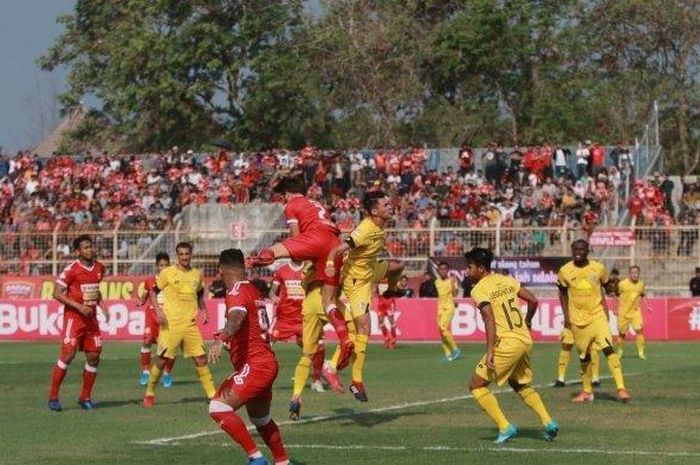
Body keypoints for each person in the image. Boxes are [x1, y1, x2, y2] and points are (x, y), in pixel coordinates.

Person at [247, 176, 354, 370]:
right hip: (335, 245)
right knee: (328, 301)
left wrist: (277, 253)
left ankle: (251, 262)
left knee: (272, 251)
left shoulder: (291, 204)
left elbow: (297, 238)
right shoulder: (315, 203)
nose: (282, 200)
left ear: (287, 192)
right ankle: (345, 339)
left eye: (281, 196)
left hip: (315, 239)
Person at [465, 248, 558, 444]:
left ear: (481, 269)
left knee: (476, 386)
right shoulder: (506, 280)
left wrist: (490, 350)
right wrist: (528, 322)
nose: (467, 271)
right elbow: (533, 300)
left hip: (506, 343)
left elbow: (489, 318)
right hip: (524, 340)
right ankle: (548, 422)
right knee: (519, 383)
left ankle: (505, 426)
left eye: (470, 266)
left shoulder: (479, 289)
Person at [207, 249, 290, 465]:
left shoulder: (235, 290)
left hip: (256, 364)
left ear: (221, 270)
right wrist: (231, 341)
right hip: (265, 362)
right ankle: (282, 461)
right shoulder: (253, 290)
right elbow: (248, 325)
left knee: (218, 408)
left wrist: (222, 338)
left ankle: (256, 458)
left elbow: (236, 317)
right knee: (260, 419)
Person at [324, 191, 404, 402]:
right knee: (364, 329)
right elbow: (339, 249)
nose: (390, 206)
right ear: (375, 211)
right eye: (386, 204)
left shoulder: (379, 225)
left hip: (370, 269)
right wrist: (331, 265)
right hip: (357, 281)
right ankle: (355, 381)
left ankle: (392, 290)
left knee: (398, 267)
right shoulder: (365, 229)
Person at [143, 242, 216, 407]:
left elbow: (199, 294)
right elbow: (153, 292)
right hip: (171, 325)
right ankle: (149, 393)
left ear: (191, 254)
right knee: (161, 361)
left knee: (201, 359)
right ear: (177, 255)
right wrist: (159, 312)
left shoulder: (197, 275)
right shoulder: (167, 273)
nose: (184, 257)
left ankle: (212, 395)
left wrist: (204, 310)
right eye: (181, 254)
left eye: (187, 254)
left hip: (190, 325)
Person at [557, 239, 629, 403]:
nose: (578, 252)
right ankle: (586, 391)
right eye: (575, 249)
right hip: (577, 320)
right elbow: (561, 294)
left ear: (587, 251)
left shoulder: (598, 268)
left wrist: (613, 287)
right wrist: (567, 317)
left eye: (582, 249)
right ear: (571, 250)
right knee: (584, 356)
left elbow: (607, 287)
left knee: (607, 348)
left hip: (597, 316)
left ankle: (621, 387)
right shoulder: (565, 271)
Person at [48, 235, 109, 411]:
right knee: (68, 355)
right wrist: (79, 307)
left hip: (91, 320)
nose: (90, 250)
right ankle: (53, 397)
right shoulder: (71, 270)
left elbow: (95, 291)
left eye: (91, 246)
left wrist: (103, 307)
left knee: (94, 356)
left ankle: (85, 397)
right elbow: (57, 293)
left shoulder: (99, 268)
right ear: (78, 251)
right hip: (74, 319)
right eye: (86, 247)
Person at [269, 260, 325, 393]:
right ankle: (260, 379)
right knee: (266, 345)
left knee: (319, 347)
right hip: (284, 318)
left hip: (305, 317)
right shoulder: (282, 270)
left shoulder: (310, 269)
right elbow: (272, 291)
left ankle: (316, 380)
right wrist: (272, 296)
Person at [137, 252, 176, 387]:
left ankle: (167, 374)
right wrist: (141, 302)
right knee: (147, 342)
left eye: (166, 265)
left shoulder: (174, 280)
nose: (164, 267)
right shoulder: (150, 280)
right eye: (161, 265)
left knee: (169, 347)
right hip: (152, 315)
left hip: (168, 317)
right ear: (157, 266)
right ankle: (146, 372)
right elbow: (145, 294)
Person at [616, 266, 651, 359]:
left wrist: (648, 306)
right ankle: (620, 352)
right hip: (624, 312)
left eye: (636, 273)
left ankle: (641, 353)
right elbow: (615, 295)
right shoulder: (622, 284)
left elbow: (643, 295)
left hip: (635, 312)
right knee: (622, 334)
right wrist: (615, 308)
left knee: (640, 331)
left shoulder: (641, 284)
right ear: (629, 274)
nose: (635, 274)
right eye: (633, 272)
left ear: (639, 274)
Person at [435, 262, 461, 361]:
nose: (443, 271)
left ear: (448, 270)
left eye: (445, 269)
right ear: (438, 270)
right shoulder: (436, 281)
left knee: (443, 328)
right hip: (440, 308)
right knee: (441, 331)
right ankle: (448, 354)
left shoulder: (451, 280)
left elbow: (455, 293)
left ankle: (455, 349)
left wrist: (455, 284)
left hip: (449, 307)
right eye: (441, 269)